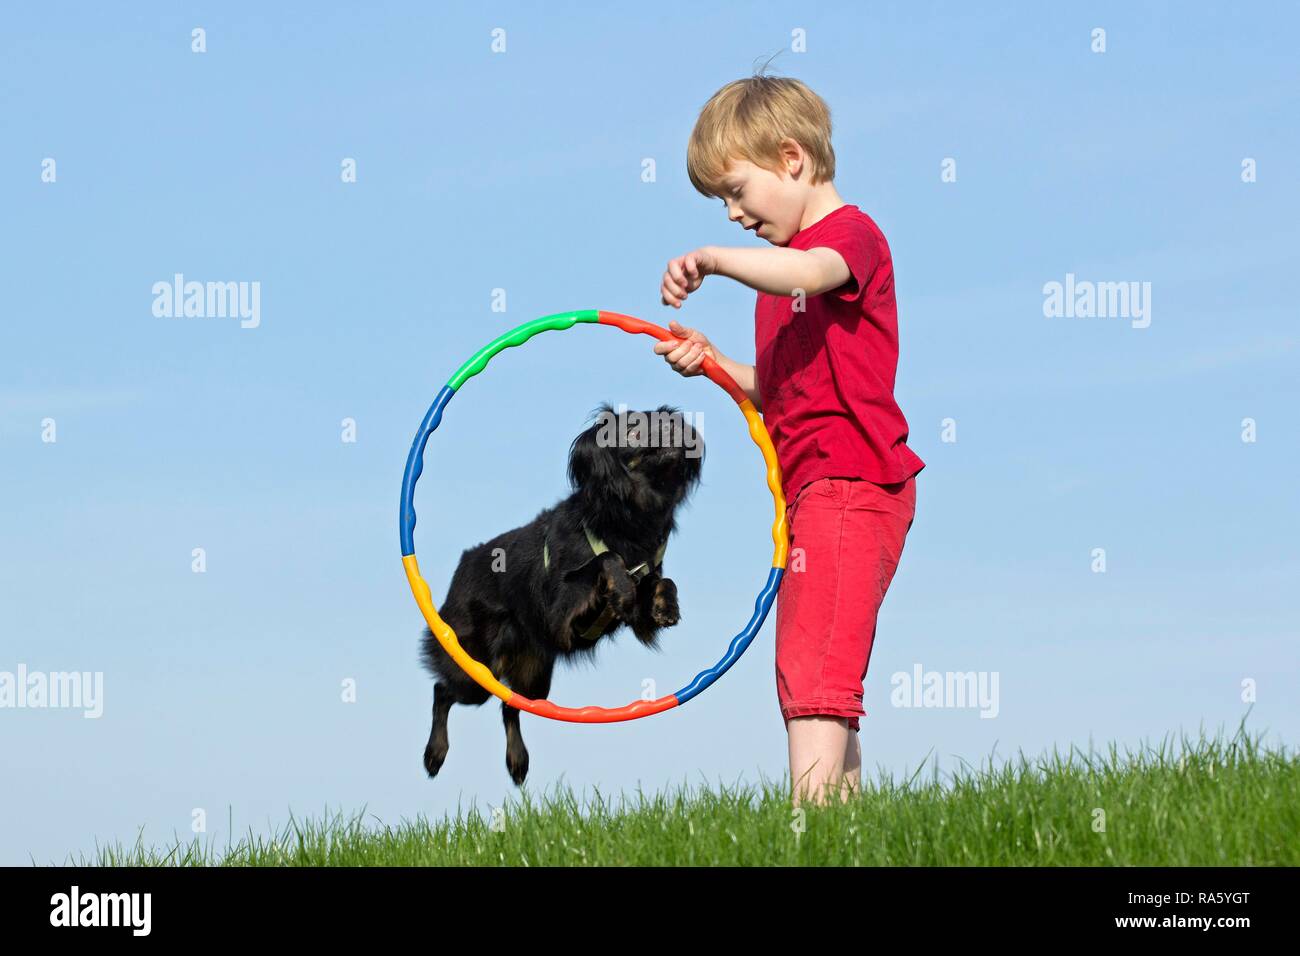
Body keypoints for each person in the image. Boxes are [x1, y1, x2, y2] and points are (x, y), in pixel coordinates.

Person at [654, 72, 925, 808]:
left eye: (738, 191)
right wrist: (710, 361)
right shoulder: (786, 285)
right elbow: (777, 392)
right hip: (820, 489)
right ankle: (843, 828)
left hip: (851, 484)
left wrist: (712, 258)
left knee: (812, 666)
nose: (735, 214)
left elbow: (806, 270)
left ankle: (807, 830)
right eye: (721, 206)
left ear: (792, 159)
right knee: (819, 661)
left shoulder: (846, 240)